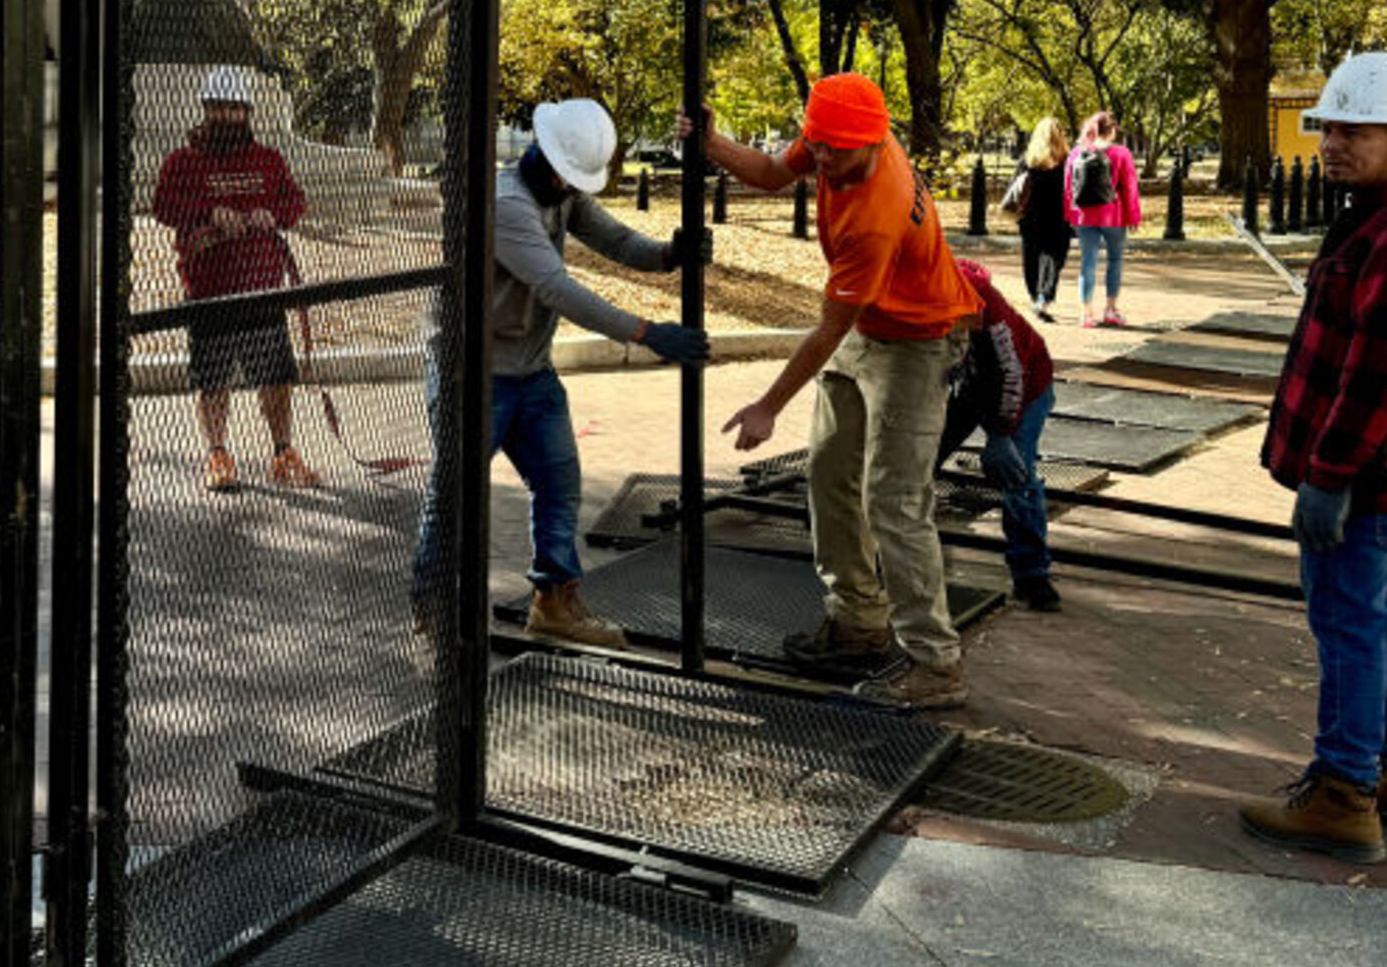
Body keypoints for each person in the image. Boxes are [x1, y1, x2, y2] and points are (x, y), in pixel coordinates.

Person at [1240, 51, 1387, 865]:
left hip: (1366, 483)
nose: (1333, 143)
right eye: (1330, 128)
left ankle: (1344, 793)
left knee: (1350, 626)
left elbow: (1382, 379)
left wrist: (1328, 478)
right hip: (1386, 480)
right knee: (1385, 616)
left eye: (1355, 129)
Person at [691, 74, 982, 710]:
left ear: (872, 142)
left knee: (894, 500)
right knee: (828, 471)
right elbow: (771, 172)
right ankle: (857, 621)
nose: (819, 159)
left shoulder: (876, 215)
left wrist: (768, 405)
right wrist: (712, 143)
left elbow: (829, 326)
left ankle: (936, 663)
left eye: (833, 151)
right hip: (871, 325)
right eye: (815, 145)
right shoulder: (836, 134)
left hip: (919, 339)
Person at [409, 98, 709, 648]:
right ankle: (433, 607)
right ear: (543, 156)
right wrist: (645, 333)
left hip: (530, 371)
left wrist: (668, 255)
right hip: (472, 376)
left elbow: (616, 240)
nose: (571, 189)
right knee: (453, 496)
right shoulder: (506, 204)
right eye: (566, 179)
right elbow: (556, 288)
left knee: (559, 484)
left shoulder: (560, 195)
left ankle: (554, 601)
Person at [150, 66, 318, 493]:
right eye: (219, 108)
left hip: (262, 288)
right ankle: (218, 454)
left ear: (247, 111)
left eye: (235, 108)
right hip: (210, 290)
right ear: (206, 110)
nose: (227, 115)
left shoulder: (268, 159)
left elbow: (294, 202)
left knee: (276, 376)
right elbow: (163, 206)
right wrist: (209, 213)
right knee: (213, 380)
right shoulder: (184, 162)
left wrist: (272, 214)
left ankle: (282, 451)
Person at [938, 259, 1060, 611]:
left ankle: (1032, 574)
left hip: (1027, 389)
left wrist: (1001, 434)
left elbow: (1012, 378)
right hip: (974, 387)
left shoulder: (994, 320)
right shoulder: (934, 295)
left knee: (1017, 474)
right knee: (926, 453)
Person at [1063, 111, 1142, 328]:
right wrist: (1134, 215)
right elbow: (1129, 187)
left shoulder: (1077, 152)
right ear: (1112, 130)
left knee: (1087, 262)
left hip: (1085, 215)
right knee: (1114, 261)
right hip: (1114, 216)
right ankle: (1110, 309)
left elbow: (1068, 186)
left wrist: (1070, 213)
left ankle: (1086, 313)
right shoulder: (1121, 153)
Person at [1006, 118, 1074, 323]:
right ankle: (1044, 297)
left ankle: (1036, 296)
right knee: (1054, 259)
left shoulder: (1028, 161)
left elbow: (1015, 189)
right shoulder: (1067, 162)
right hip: (1059, 219)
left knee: (1032, 259)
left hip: (1030, 219)